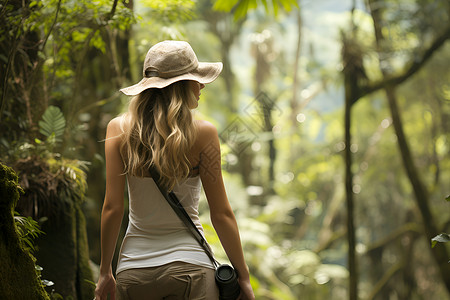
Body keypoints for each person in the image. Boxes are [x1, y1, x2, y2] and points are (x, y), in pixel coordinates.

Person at [94, 40, 255, 300]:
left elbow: (113, 207)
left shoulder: (118, 130)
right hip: (191, 269)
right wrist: (244, 278)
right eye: (195, 79)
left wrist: (104, 273)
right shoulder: (204, 133)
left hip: (134, 270)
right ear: (180, 87)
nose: (202, 85)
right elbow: (221, 213)